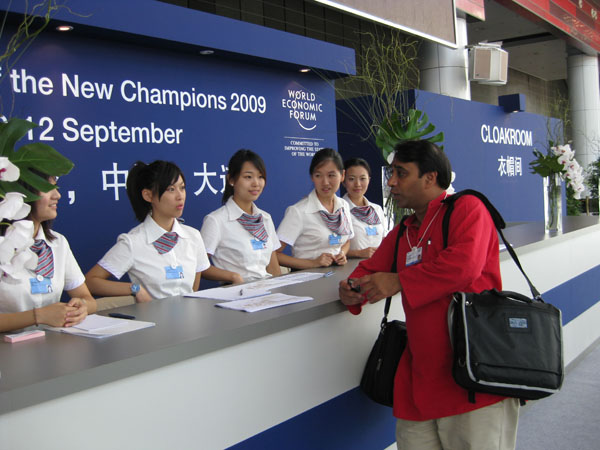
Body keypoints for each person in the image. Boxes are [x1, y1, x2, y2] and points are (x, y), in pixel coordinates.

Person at [338, 140, 519, 450]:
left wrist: (399, 281)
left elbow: (463, 267)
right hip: (419, 384)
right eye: (391, 173)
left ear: (430, 178)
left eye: (401, 173)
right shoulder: (404, 231)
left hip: (474, 379)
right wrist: (353, 291)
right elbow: (365, 272)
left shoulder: (467, 208)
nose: (391, 182)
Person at [85, 160, 210, 302]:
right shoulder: (133, 242)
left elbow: (193, 289)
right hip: (153, 321)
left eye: (182, 188)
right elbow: (90, 281)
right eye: (170, 189)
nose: (180, 196)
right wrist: (134, 289)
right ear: (148, 196)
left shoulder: (193, 236)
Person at [0, 174, 96, 332]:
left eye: (56, 188)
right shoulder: (3, 244)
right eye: (47, 188)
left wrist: (81, 308)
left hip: (52, 346)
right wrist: (38, 316)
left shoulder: (58, 242)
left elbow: (89, 300)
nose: (57, 195)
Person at [200, 149, 281, 283]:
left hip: (267, 292)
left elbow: (273, 266)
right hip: (236, 295)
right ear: (231, 179)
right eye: (248, 177)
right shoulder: (216, 220)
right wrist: (232, 277)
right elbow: (199, 266)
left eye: (260, 177)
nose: (256, 183)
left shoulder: (265, 218)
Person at [277, 148, 354, 269]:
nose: (325, 182)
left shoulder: (343, 206)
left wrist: (342, 254)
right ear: (312, 177)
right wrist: (313, 263)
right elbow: (274, 254)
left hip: (336, 274)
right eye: (318, 175)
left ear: (342, 175)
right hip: (306, 279)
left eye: (331, 175)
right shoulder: (298, 211)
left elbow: (347, 241)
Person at [342, 157, 389, 259]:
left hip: (378, 265)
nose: (358, 184)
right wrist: (358, 253)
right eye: (351, 179)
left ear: (369, 180)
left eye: (362, 178)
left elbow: (383, 238)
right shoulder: (339, 210)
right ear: (343, 181)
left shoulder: (376, 209)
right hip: (351, 267)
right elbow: (332, 249)